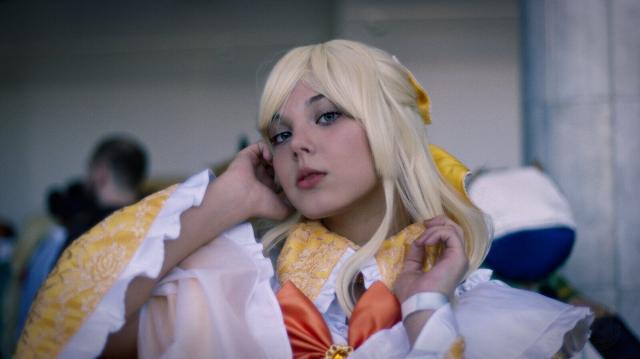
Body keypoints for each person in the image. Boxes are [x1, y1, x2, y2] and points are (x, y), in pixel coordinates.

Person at [16, 40, 592, 358]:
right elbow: (67, 334)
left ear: (391, 127)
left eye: (327, 114)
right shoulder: (225, 303)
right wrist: (224, 202)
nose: (299, 145)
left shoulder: (517, 329)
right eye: (281, 133)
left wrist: (424, 311)